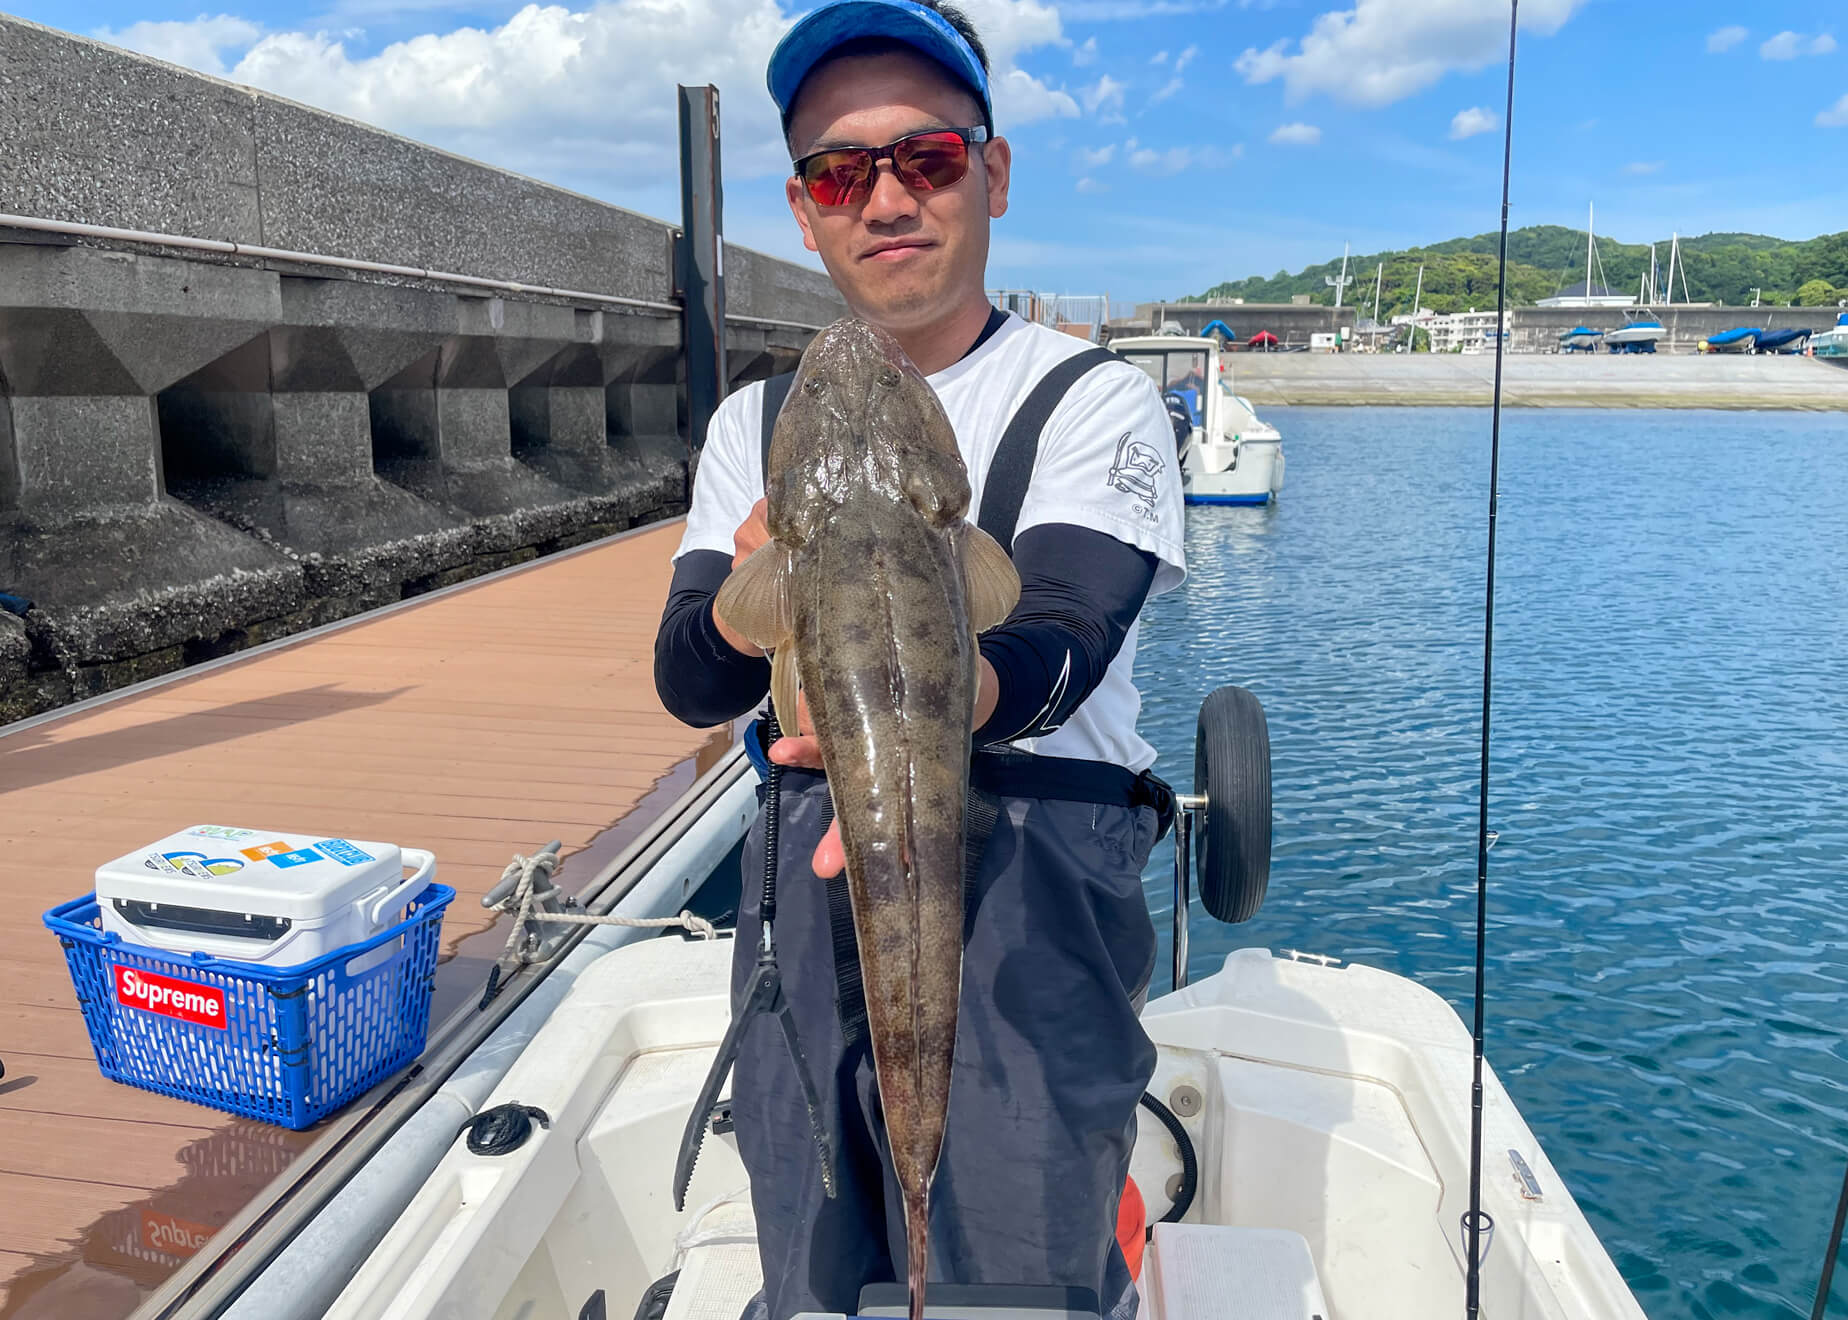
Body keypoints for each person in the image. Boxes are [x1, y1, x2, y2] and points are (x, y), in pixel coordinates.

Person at [652, 2, 1185, 1316]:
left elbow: (1064, 633)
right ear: (804, 209)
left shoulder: (1091, 395)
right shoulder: (753, 422)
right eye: (843, 173)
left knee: (1016, 1263)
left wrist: (935, 699)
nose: (886, 198)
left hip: (1036, 896)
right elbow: (690, 678)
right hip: (805, 877)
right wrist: (756, 601)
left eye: (927, 158)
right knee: (812, 1245)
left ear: (991, 173)